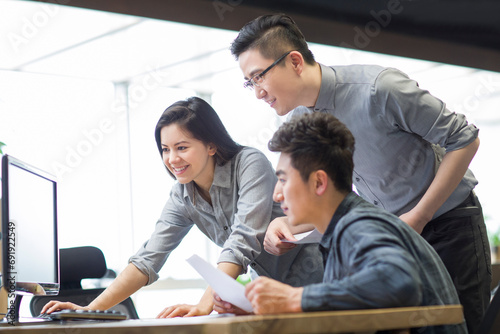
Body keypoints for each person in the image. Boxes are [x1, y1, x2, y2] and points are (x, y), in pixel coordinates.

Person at [230, 13, 489, 333]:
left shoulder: (379, 89)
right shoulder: (299, 123)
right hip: (392, 231)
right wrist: (287, 222)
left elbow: (465, 139)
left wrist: (419, 216)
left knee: (461, 324)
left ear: (295, 61)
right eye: (249, 82)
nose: (257, 92)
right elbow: (330, 192)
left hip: (449, 220)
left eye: (259, 77)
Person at [41, 96, 323, 318]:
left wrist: (204, 305)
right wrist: (92, 309)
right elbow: (148, 258)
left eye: (182, 147)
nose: (172, 158)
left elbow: (243, 240)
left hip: (321, 281)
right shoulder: (182, 195)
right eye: (165, 149)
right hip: (273, 295)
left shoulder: (249, 163)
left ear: (211, 146)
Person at [231, 112, 466, 333]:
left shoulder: (358, 225)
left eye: (283, 180)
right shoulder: (344, 229)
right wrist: (261, 308)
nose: (276, 195)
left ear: (319, 183)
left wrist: (294, 298)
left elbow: (398, 281)